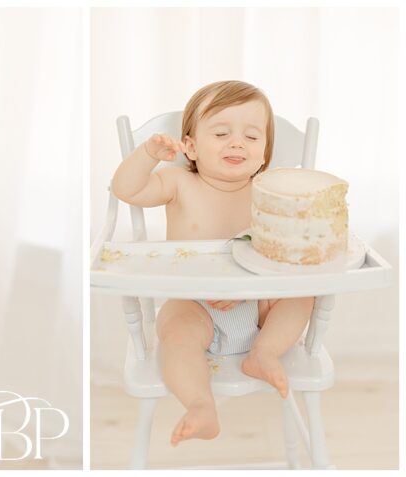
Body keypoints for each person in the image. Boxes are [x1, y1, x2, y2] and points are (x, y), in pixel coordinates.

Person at [111, 80, 314, 446]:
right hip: (195, 305)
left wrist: (252, 287)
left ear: (265, 152)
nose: (237, 142)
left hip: (259, 305)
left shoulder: (269, 191)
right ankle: (201, 405)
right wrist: (148, 155)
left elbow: (287, 249)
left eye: (252, 137)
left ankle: (263, 353)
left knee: (302, 297)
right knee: (175, 334)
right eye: (221, 132)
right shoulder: (177, 183)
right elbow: (126, 190)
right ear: (189, 146)